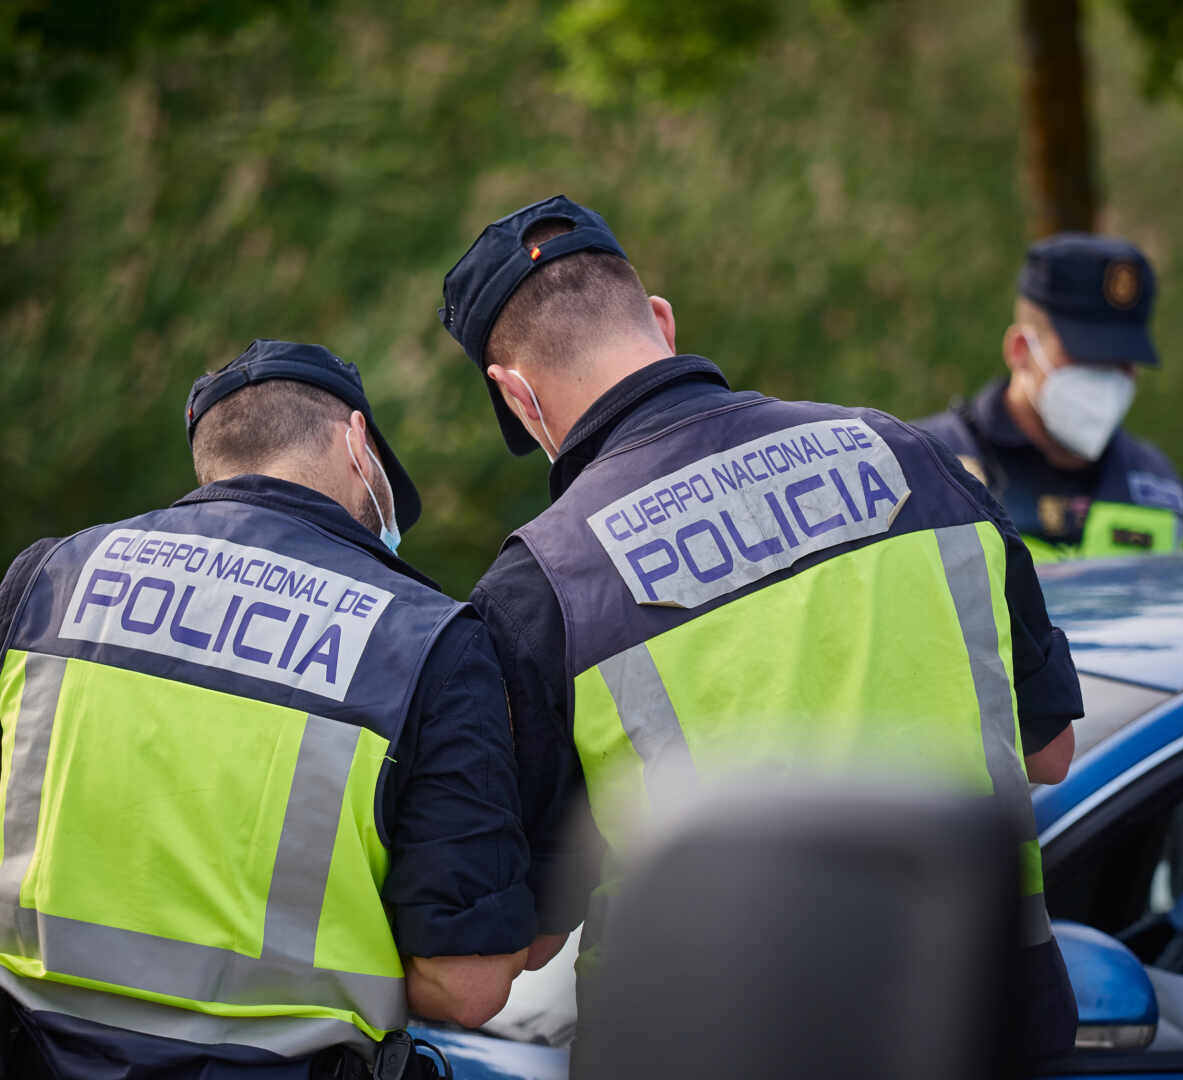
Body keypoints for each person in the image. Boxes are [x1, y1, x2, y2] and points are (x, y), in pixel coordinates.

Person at [437, 196, 1085, 1062]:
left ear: (515, 394)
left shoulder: (542, 587)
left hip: (720, 1045)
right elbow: (1050, 752)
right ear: (660, 320)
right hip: (984, 1019)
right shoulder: (911, 458)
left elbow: (531, 941)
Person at [0, 339, 535, 1079]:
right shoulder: (428, 640)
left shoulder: (56, 576)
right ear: (359, 443)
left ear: (211, 457)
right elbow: (467, 986)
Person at [916, 234, 1183, 562]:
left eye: (1123, 361)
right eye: (1088, 357)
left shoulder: (1161, 487)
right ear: (1021, 350)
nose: (1108, 376)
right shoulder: (929, 466)